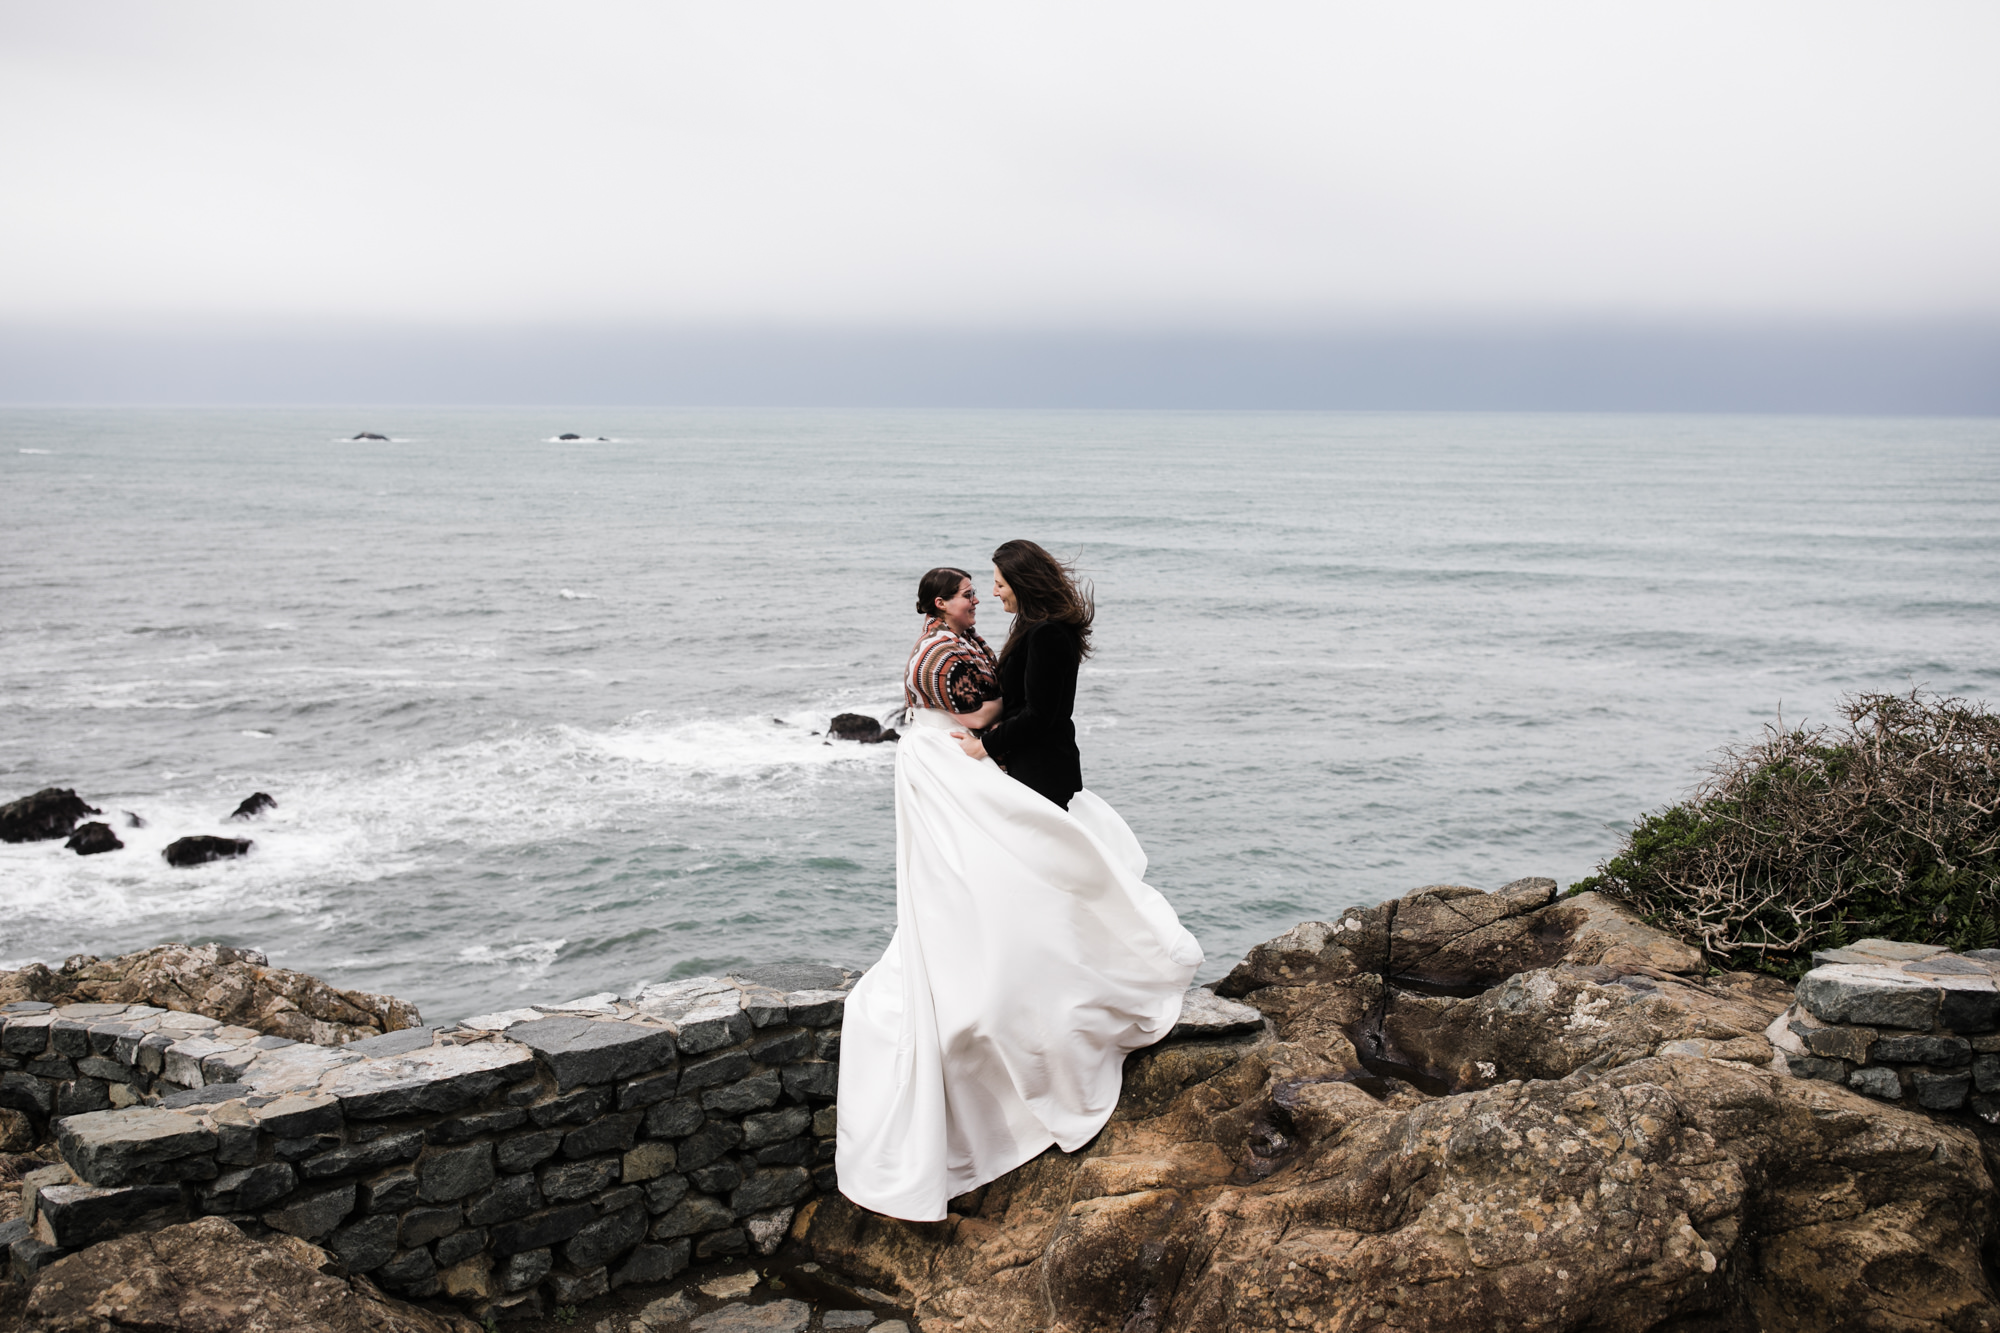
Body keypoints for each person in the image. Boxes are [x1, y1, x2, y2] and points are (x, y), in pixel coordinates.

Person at [835, 546, 1203, 1223]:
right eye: (984, 587)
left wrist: (987, 743)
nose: (993, 595)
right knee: (1030, 892)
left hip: (1038, 775)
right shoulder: (1022, 629)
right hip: (1018, 771)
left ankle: (1090, 981)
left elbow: (1049, 715)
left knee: (1052, 886)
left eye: (998, 584)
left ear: (1023, 584)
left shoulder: (1051, 634)